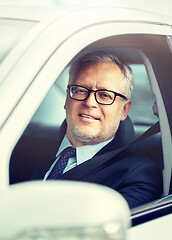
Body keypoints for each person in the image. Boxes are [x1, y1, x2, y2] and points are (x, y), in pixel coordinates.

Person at [10, 51, 163, 209]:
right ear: (67, 99)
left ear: (124, 110)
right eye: (81, 90)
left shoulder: (139, 175)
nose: (90, 103)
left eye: (105, 95)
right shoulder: (18, 150)